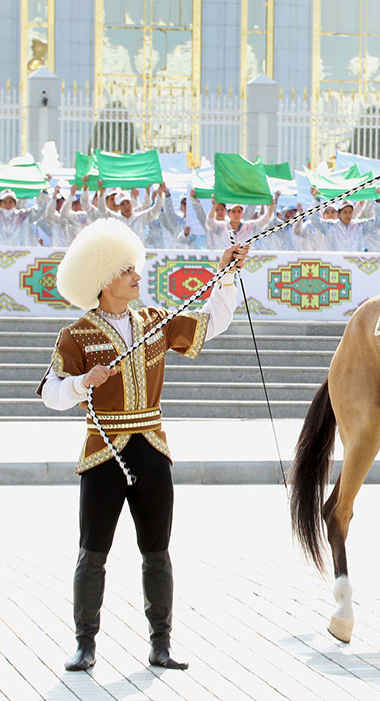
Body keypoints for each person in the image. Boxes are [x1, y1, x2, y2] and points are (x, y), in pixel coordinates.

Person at [37, 218, 248, 672]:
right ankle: (85, 644)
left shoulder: (155, 322)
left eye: (134, 267)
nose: (137, 275)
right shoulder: (76, 335)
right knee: (92, 552)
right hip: (103, 453)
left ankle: (161, 644)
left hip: (151, 450)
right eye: (126, 270)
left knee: (157, 551)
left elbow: (212, 322)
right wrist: (81, 382)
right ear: (103, 279)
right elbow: (51, 393)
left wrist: (226, 274)